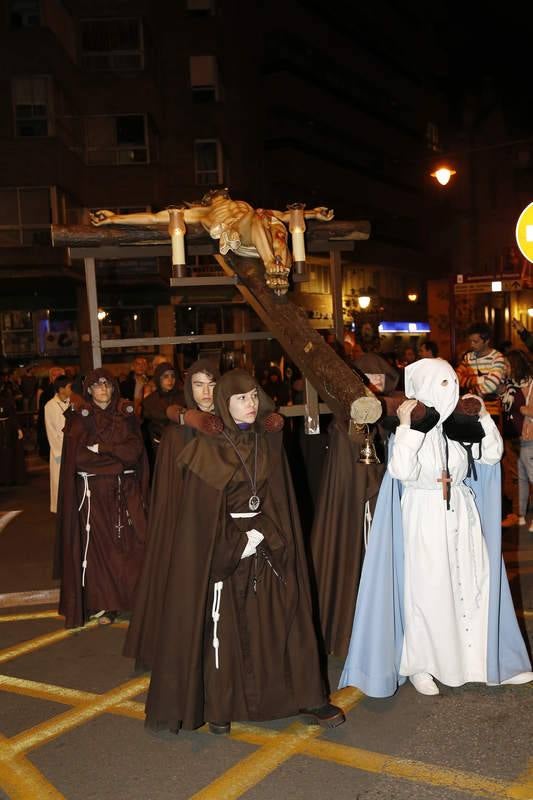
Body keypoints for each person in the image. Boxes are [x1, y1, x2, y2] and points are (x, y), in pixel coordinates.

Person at [142, 369, 345, 734]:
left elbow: (281, 498)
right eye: (241, 398)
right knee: (228, 628)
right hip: (228, 550)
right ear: (225, 403)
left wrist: (266, 533)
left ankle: (306, 696)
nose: (251, 404)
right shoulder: (207, 448)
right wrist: (237, 542)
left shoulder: (268, 441)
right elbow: (200, 517)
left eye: (254, 396)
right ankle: (222, 703)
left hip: (269, 543)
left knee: (287, 616)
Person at [339, 357, 532, 697]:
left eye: (452, 384)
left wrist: (483, 418)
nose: (451, 391)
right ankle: (421, 664)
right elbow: (400, 471)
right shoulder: (411, 426)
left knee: (472, 583)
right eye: (443, 385)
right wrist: (408, 429)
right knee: (428, 589)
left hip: (461, 511)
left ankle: (476, 661)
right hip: (424, 513)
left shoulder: (456, 426)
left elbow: (491, 455)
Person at [124, 358, 220, 672]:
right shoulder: (177, 436)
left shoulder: (229, 425)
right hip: (189, 527)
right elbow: (170, 496)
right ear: (188, 388)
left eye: (212, 384)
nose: (206, 392)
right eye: (198, 385)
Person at [90, 189, 334, 295]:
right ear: (209, 199)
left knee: (273, 224)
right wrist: (114, 218)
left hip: (264, 226)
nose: (222, 195)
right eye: (217, 194)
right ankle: (272, 264)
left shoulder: (244, 205)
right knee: (259, 217)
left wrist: (313, 213)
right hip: (240, 232)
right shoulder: (201, 212)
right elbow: (154, 217)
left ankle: (280, 267)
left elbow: (283, 215)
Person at [56, 368, 148, 628]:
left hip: (125, 492)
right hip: (94, 496)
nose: (103, 390)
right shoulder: (79, 420)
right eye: (97, 386)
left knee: (133, 546)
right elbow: (82, 459)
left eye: (107, 384)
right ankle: (106, 604)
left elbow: (134, 452)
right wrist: (117, 461)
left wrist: (106, 450)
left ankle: (132, 600)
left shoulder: (126, 416)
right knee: (100, 552)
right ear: (89, 390)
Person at [500, 349, 533, 531]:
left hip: (527, 435)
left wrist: (523, 409)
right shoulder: (510, 384)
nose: (504, 367)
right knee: (517, 477)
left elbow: (526, 408)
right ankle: (518, 514)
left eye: (507, 364)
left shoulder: (528, 383)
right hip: (513, 434)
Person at [141, 361, 184, 474]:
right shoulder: (150, 401)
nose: (170, 380)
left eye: (173, 376)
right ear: (158, 378)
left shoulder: (184, 397)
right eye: (165, 376)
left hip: (182, 446)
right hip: (158, 446)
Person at [44, 375, 72, 513]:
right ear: (61, 389)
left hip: (72, 447)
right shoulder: (50, 405)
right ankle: (59, 508)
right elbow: (51, 431)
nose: (71, 389)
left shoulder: (70, 402)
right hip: (59, 450)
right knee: (59, 481)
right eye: (69, 387)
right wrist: (59, 453)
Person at [456, 322, 506, 398]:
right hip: (473, 404)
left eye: (475, 342)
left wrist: (471, 390)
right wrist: (480, 380)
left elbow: (490, 386)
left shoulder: (497, 357)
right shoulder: (468, 357)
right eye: (470, 341)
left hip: (494, 405)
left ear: (486, 341)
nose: (471, 345)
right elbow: (456, 378)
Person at [0, 393, 25, 486]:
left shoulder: (6, 401)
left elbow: (13, 416)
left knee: (8, 454)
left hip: (7, 431)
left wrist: (18, 429)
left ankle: (8, 478)